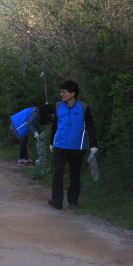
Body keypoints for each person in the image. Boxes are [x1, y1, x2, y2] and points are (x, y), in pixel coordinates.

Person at [48, 80, 97, 209]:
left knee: (75, 174)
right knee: (57, 172)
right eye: (61, 92)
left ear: (73, 93)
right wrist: (51, 142)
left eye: (64, 92)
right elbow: (54, 126)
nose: (62, 94)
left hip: (77, 147)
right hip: (59, 145)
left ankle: (73, 200)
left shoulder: (84, 108)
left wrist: (93, 145)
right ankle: (57, 200)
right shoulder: (58, 106)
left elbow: (91, 128)